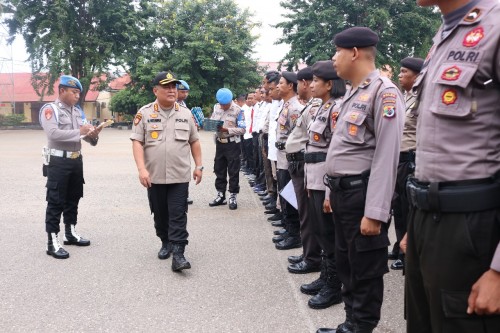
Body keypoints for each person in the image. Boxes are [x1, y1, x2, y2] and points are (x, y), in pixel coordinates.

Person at [402, 0, 500, 331]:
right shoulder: (446, 31)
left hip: (470, 226)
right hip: (426, 218)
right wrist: (415, 230)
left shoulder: (496, 25)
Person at [318, 27, 405, 333]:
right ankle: (351, 324)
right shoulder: (352, 93)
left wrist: (376, 212)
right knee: (347, 265)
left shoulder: (385, 92)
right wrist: (330, 193)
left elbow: (387, 155)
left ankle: (362, 327)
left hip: (362, 197)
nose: (334, 59)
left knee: (365, 270)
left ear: (353, 52)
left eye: (337, 53)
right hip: (343, 194)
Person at [130, 71, 202, 272]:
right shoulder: (144, 113)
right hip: (154, 176)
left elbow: (194, 141)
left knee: (178, 213)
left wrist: (199, 165)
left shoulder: (186, 114)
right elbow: (137, 142)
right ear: (156, 90)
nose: (172, 90)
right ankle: (165, 242)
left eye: (174, 87)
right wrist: (141, 169)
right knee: (160, 213)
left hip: (180, 175)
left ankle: (179, 253)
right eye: (167, 87)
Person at [301, 60, 346, 310]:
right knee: (320, 232)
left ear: (329, 84)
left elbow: (335, 153)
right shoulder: (322, 106)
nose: (312, 84)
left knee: (329, 235)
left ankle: (334, 286)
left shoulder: (336, 109)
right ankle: (326, 276)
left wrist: (329, 191)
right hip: (314, 178)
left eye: (317, 81)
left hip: (325, 181)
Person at [40, 75, 101, 259]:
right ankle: (52, 242)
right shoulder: (50, 110)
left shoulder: (78, 112)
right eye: (73, 92)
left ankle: (70, 232)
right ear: (62, 91)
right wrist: (80, 132)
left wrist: (93, 135)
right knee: (56, 201)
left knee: (73, 198)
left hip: (76, 160)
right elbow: (53, 133)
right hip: (58, 162)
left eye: (78, 93)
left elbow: (87, 139)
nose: (76, 96)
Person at [283, 66, 322, 273]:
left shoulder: (315, 107)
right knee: (304, 213)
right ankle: (309, 253)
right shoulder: (309, 107)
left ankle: (312, 257)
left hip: (304, 164)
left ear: (304, 83)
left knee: (308, 215)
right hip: (298, 163)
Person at [388, 57, 424, 271]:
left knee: (408, 208)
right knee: (398, 208)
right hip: (398, 160)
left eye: (404, 72)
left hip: (411, 160)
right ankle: (399, 245)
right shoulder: (404, 98)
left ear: (417, 76)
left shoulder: (421, 99)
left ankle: (408, 251)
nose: (400, 76)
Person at [274, 71, 303, 250]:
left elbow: (296, 135)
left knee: (290, 198)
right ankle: (288, 228)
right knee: (284, 195)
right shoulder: (285, 106)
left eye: (281, 83)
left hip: (289, 159)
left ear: (290, 86)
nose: (278, 86)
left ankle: (294, 234)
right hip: (282, 158)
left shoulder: (294, 108)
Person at [209, 88, 246, 210]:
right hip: (220, 144)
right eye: (221, 104)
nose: (223, 106)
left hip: (232, 144)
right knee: (219, 169)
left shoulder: (238, 111)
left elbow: (243, 129)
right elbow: (213, 122)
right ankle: (221, 195)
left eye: (225, 104)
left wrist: (227, 130)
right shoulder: (217, 108)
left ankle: (233, 196)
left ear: (230, 101)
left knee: (233, 170)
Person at [176, 79, 195, 205]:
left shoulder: (184, 105)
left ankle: (184, 195)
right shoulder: (170, 104)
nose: (185, 94)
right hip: (173, 142)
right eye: (183, 92)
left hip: (183, 142)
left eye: (187, 92)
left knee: (184, 168)